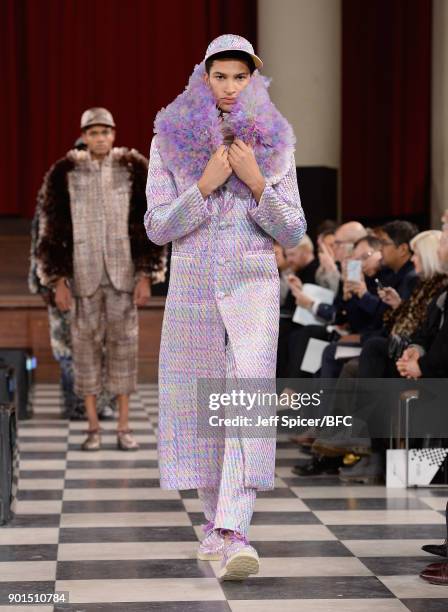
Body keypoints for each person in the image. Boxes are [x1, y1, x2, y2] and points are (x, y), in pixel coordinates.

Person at [144, 34, 306, 581]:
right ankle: (218, 525)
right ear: (204, 77)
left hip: (255, 285)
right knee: (206, 404)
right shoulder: (169, 140)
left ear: (253, 78)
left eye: (241, 76)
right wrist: (205, 187)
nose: (231, 87)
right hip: (191, 288)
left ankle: (234, 526)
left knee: (247, 395)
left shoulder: (277, 142)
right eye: (222, 76)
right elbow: (157, 227)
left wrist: (258, 183)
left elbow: (294, 230)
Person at [36, 107, 166, 451]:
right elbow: (52, 228)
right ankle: (92, 426)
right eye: (93, 133)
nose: (100, 138)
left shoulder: (133, 168)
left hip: (123, 275)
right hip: (82, 276)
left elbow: (148, 224)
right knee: (85, 350)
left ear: (114, 134)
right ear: (83, 136)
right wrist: (58, 279)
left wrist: (146, 275)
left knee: (125, 349)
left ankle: (124, 426)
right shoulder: (65, 172)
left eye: (105, 132)